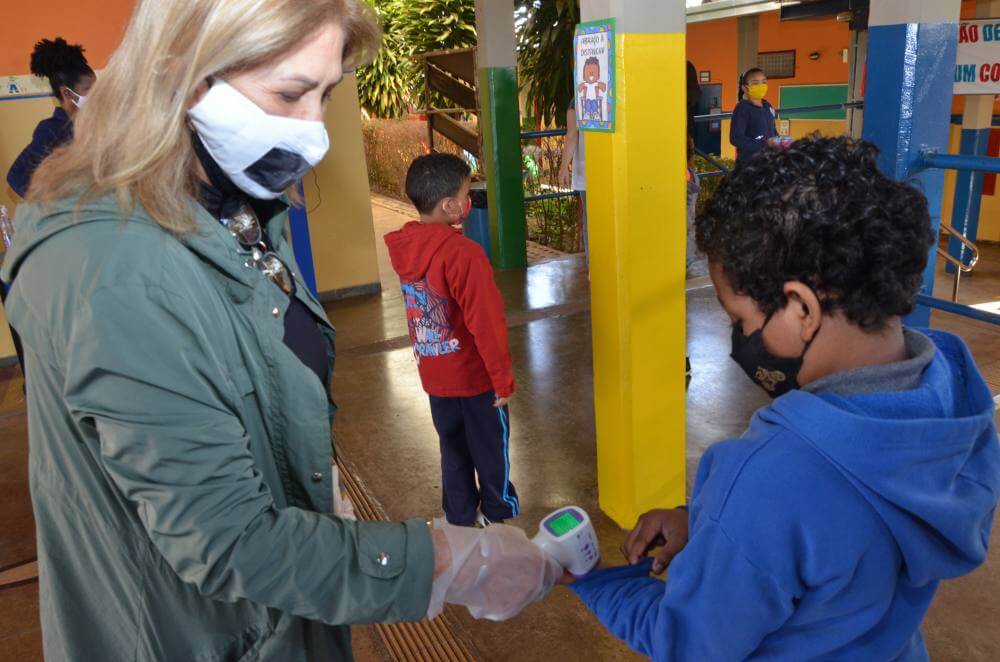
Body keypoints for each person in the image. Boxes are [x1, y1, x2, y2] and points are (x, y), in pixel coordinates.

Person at [1, 2, 558, 659]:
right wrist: (447, 562)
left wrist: (304, 483)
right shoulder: (118, 271)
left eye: (326, 94)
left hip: (277, 621)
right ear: (184, 77)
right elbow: (228, 540)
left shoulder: (229, 207)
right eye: (291, 94)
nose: (313, 130)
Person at [566, 135, 1000, 660]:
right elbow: (835, 533)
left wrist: (593, 580)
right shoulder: (953, 408)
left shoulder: (768, 477)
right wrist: (709, 523)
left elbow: (688, 644)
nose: (738, 338)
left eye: (740, 319)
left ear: (801, 308)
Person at [385, 153, 520, 528]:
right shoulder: (464, 254)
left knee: (453, 449)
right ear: (449, 206)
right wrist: (502, 380)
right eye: (465, 195)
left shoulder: (407, 248)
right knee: (491, 449)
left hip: (436, 377)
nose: (469, 200)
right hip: (476, 380)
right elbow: (486, 324)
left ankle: (459, 519)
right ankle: (496, 513)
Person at [6, 38, 95, 198]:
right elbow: (16, 176)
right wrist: (50, 205)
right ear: (66, 93)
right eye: (89, 89)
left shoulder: (94, 125)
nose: (97, 94)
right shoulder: (52, 130)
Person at [559, 102, 589, 262]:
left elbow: (572, 135)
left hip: (586, 170)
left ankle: (593, 265)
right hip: (609, 167)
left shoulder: (576, 101)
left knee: (590, 220)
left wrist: (564, 167)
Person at [729, 67, 778, 166]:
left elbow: (773, 130)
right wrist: (765, 144)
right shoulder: (742, 108)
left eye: (764, 82)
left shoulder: (768, 106)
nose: (761, 86)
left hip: (768, 162)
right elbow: (736, 138)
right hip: (750, 165)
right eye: (755, 83)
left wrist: (779, 141)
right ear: (745, 88)